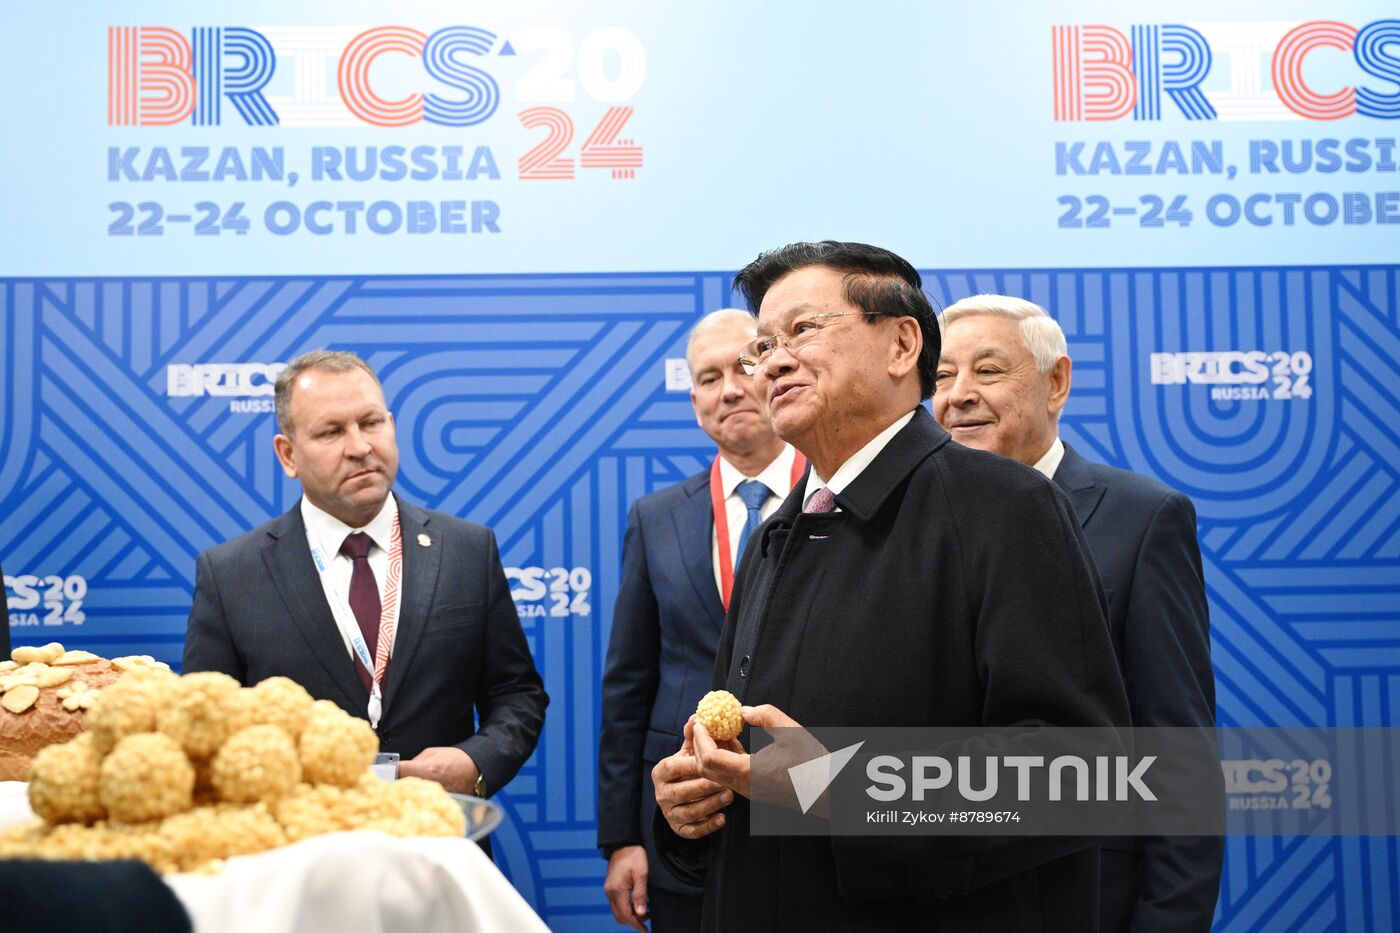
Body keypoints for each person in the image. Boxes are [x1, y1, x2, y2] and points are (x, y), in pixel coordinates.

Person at [650, 242, 1130, 931]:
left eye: (803, 331)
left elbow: (1075, 775)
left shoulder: (1004, 506)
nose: (773, 361)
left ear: (903, 344)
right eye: (763, 345)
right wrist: (697, 801)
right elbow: (767, 772)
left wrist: (835, 783)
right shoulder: (773, 537)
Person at [932, 294, 1221, 932]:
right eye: (943, 376)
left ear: (1055, 382)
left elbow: (1179, 750)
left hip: (1084, 897)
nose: (958, 396)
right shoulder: (912, 527)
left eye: (987, 370)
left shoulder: (1141, 518)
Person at [183, 350, 547, 803]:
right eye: (332, 431)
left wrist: (476, 763)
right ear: (288, 454)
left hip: (437, 841)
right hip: (298, 849)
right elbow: (204, 732)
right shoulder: (230, 574)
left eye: (371, 423)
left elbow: (516, 693)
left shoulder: (467, 550)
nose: (359, 446)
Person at [598, 310, 804, 933]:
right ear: (694, 402)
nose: (730, 388)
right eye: (708, 378)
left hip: (814, 798)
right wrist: (623, 838)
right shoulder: (655, 516)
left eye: (744, 366)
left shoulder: (836, 500)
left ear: (774, 371)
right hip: (689, 812)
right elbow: (628, 685)